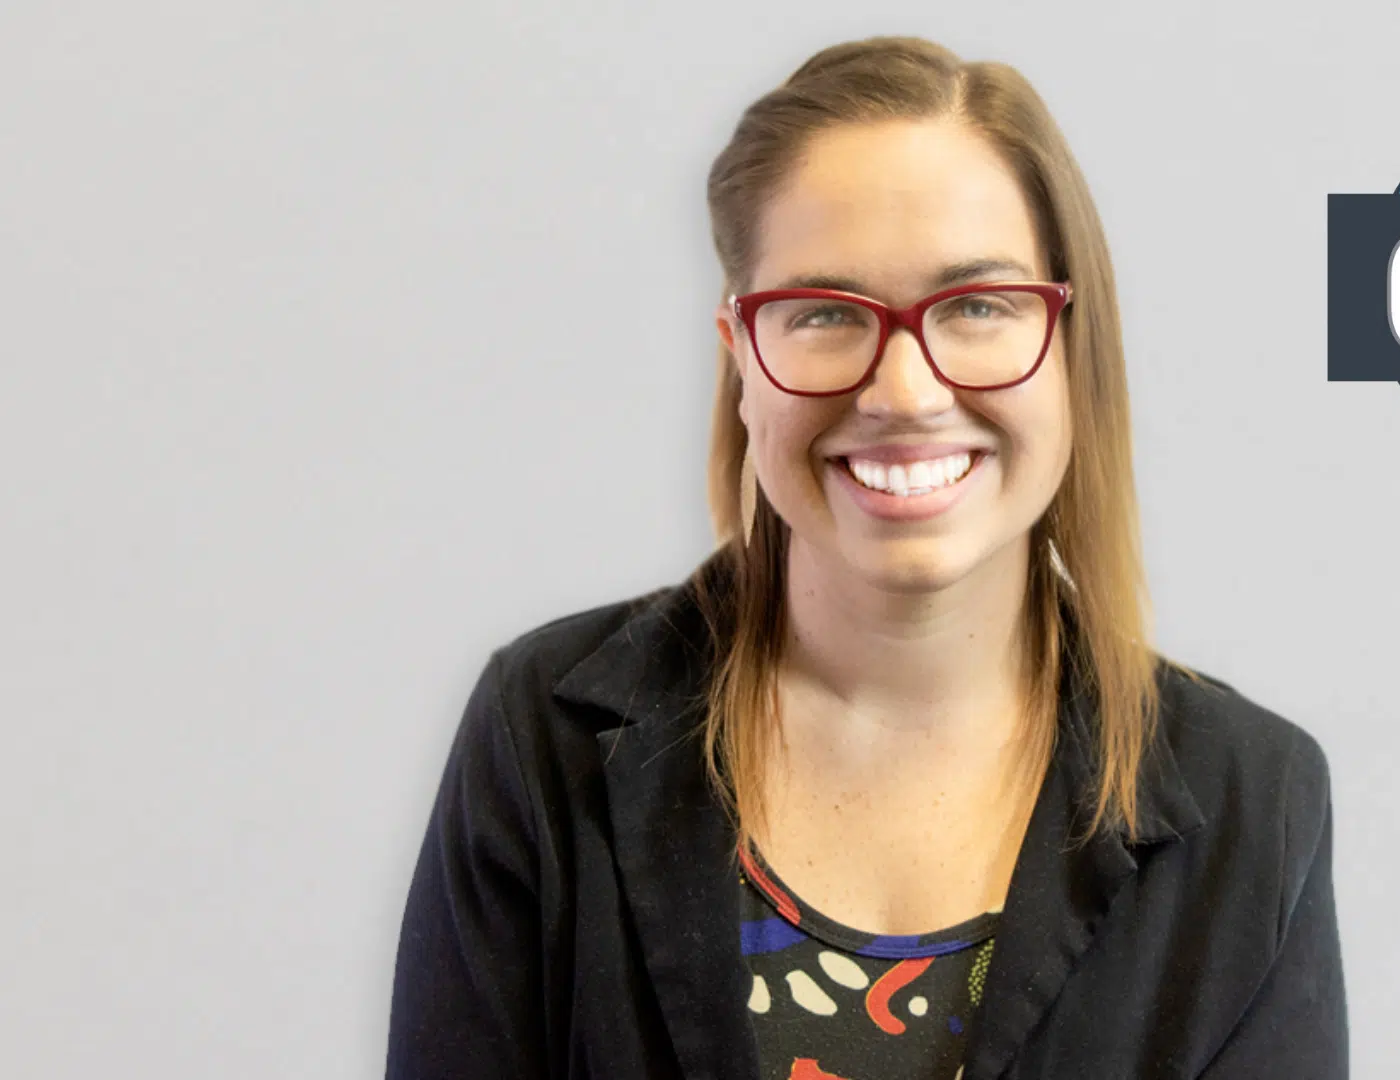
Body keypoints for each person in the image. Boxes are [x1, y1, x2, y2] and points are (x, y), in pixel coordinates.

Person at [386, 34, 1346, 1080]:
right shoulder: (543, 738)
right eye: (826, 314)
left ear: (1072, 346)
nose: (904, 393)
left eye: (978, 306)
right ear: (742, 360)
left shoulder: (1252, 798)